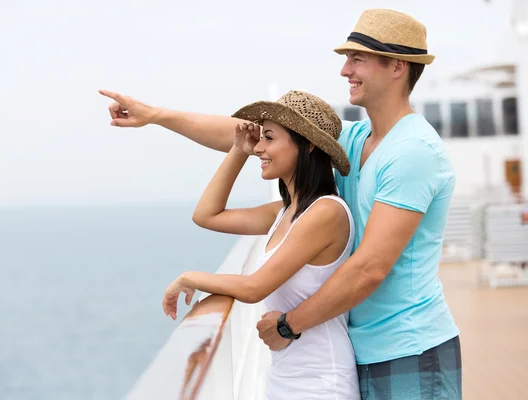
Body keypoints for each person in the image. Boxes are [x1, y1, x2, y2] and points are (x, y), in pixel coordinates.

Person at [99, 9, 462, 399]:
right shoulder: (357, 140)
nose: (344, 70)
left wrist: (289, 325)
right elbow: (249, 136)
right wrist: (156, 115)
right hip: (361, 347)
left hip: (409, 348)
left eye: (357, 58)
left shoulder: (412, 152)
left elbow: (369, 269)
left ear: (396, 66)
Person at [160, 90, 360, 399]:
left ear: (307, 145)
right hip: (286, 376)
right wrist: (239, 150)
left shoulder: (326, 213)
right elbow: (206, 215)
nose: (259, 148)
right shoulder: (286, 212)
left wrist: (191, 277)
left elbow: (255, 288)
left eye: (269, 138)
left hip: (322, 381)